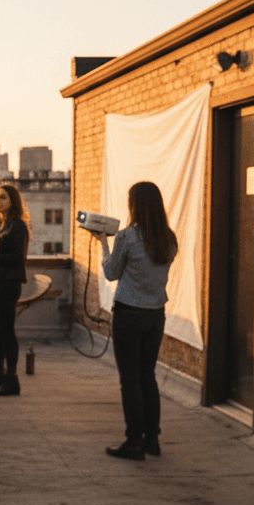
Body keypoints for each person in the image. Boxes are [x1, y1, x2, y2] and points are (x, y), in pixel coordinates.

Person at [93, 181, 178, 461]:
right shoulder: (169, 238)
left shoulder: (128, 236)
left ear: (135, 205)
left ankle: (134, 441)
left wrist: (103, 243)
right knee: (147, 375)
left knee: (129, 380)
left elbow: (111, 272)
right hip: (156, 315)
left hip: (128, 314)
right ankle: (153, 439)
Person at [0, 183, 30, 397]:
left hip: (9, 284)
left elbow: (17, 258)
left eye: (3, 197)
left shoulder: (17, 225)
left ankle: (12, 379)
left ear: (12, 201)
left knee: (6, 331)